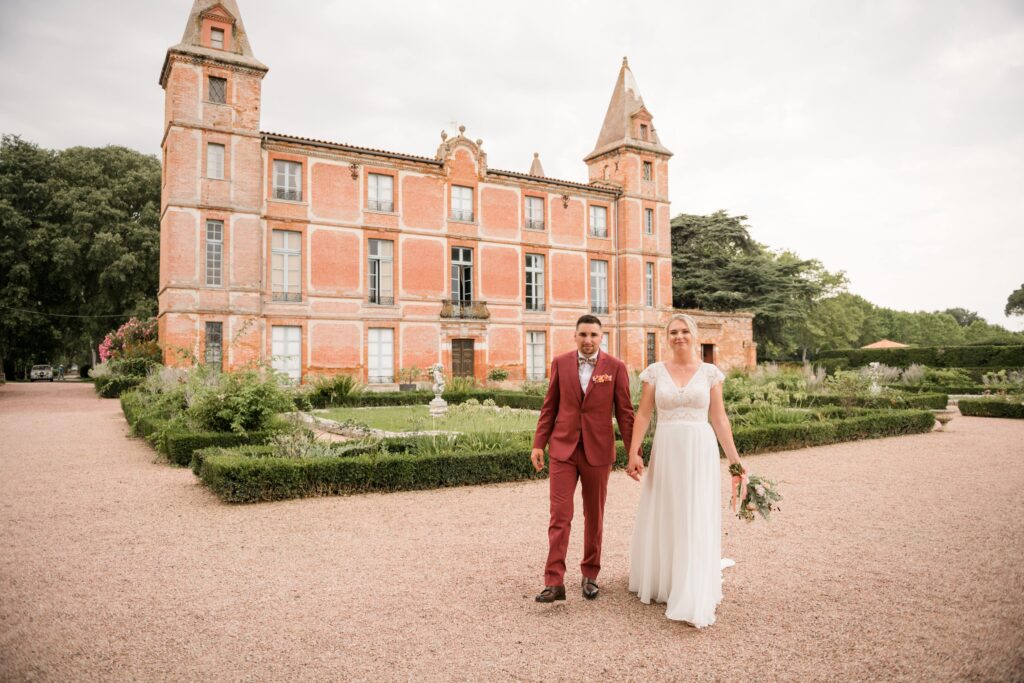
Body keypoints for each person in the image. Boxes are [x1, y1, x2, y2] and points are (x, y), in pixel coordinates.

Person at [625, 313, 747, 627]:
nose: (679, 336)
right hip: (666, 449)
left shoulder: (710, 374)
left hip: (699, 450)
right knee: (667, 510)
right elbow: (643, 415)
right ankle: (665, 579)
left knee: (694, 511)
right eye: (673, 332)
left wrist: (735, 462)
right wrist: (634, 451)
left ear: (693, 334)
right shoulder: (654, 373)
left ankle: (692, 581)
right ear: (667, 337)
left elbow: (719, 419)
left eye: (684, 331)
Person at [531, 315, 635, 602]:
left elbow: (625, 413)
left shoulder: (615, 367)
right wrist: (539, 444)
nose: (588, 340)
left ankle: (590, 575)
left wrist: (633, 452)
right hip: (563, 450)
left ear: (602, 337)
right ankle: (554, 581)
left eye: (593, 335)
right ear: (574, 336)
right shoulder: (560, 363)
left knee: (594, 516)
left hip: (598, 452)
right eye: (583, 335)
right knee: (560, 516)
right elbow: (549, 407)